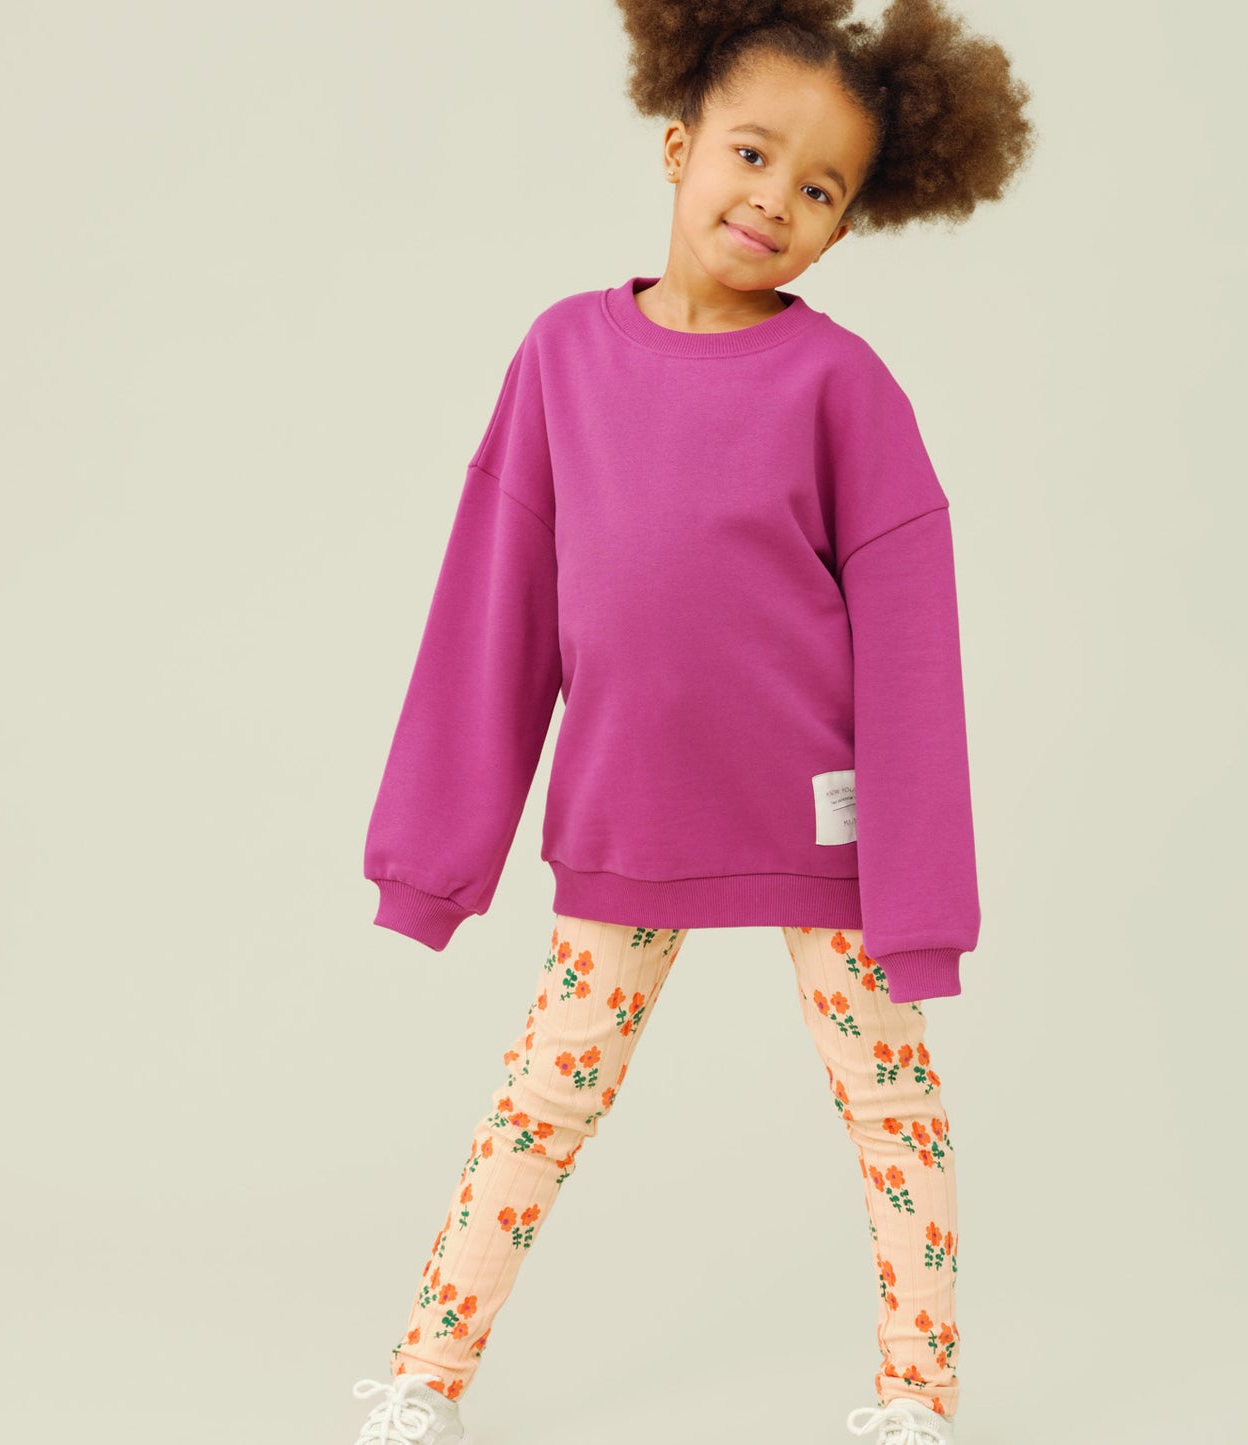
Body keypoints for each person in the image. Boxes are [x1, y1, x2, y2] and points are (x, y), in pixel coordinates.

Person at [349, 3, 1034, 1442]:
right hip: (631, 816)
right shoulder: (562, 357)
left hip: (823, 829)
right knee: (544, 1100)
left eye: (820, 189)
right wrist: (432, 864)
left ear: (845, 227)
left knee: (890, 1106)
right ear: (677, 147)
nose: (774, 200)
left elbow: (914, 655)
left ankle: (919, 1394)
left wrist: (921, 901)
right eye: (751, 154)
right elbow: (493, 615)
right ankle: (424, 1377)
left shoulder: (843, 386)